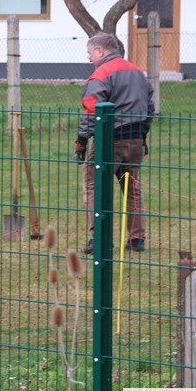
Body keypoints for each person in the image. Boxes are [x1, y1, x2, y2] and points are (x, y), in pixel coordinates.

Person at [76, 33, 154, 255]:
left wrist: (82, 140)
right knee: (132, 188)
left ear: (100, 51)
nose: (90, 59)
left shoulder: (101, 74)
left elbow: (92, 109)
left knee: (94, 185)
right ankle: (137, 239)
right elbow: (149, 107)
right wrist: (142, 135)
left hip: (110, 139)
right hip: (136, 138)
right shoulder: (137, 72)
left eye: (90, 54)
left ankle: (100, 238)